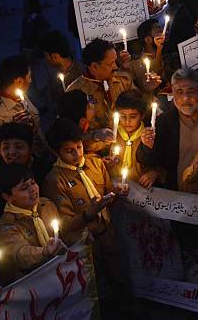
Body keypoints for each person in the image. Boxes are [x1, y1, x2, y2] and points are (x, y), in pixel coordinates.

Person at [42, 118, 133, 316]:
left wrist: (119, 193)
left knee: (119, 280)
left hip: (108, 235)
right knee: (95, 292)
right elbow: (65, 224)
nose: (77, 154)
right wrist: (90, 211)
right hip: (84, 244)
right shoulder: (54, 180)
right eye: (69, 151)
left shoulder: (95, 163)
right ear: (57, 152)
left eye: (79, 147)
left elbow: (110, 196)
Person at [136, 68, 198, 194]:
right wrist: (147, 147)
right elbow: (150, 160)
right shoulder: (164, 122)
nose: (185, 98)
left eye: (191, 91)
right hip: (177, 196)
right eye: (179, 91)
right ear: (172, 93)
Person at [0, 164, 65, 279]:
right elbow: (20, 254)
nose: (33, 189)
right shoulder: (7, 225)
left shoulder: (46, 205)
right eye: (24, 188)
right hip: (36, 279)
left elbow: (64, 232)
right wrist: (44, 252)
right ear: (8, 197)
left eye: (33, 183)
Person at [0, 54, 46, 155]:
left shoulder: (20, 96)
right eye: (29, 77)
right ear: (19, 81)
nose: (31, 81)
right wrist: (15, 130)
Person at [67, 38, 135, 132]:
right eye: (111, 63)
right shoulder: (75, 91)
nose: (115, 66)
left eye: (115, 61)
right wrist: (95, 136)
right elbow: (73, 132)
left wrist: (149, 91)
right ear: (94, 66)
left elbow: (139, 108)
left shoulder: (123, 79)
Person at [110, 89, 163, 187]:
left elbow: (162, 163)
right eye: (123, 116)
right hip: (115, 186)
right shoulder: (111, 135)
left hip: (140, 190)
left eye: (133, 116)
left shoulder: (150, 136)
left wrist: (155, 173)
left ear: (142, 115)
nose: (127, 121)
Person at [131, 19, 165, 97]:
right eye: (157, 29)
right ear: (148, 40)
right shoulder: (138, 63)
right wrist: (159, 49)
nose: (162, 31)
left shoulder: (167, 52)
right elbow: (157, 71)